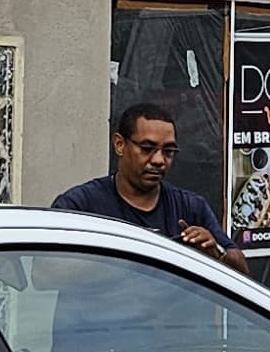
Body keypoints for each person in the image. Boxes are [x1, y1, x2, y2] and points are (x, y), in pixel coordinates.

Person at [52, 99, 242, 263]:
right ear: (119, 144)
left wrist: (217, 254)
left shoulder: (191, 208)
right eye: (147, 148)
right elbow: (43, 275)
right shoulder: (80, 206)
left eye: (168, 151)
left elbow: (241, 273)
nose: (159, 160)